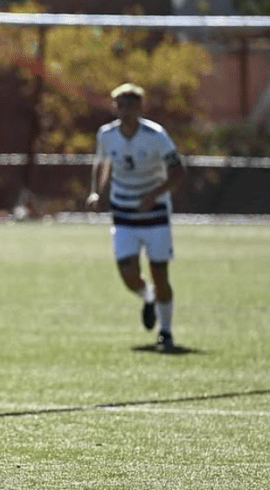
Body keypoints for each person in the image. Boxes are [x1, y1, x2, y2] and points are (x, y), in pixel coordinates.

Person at [87, 83, 185, 350]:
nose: (125, 111)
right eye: (121, 105)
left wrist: (155, 194)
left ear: (140, 108)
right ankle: (147, 296)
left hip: (154, 214)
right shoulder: (106, 135)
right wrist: (97, 193)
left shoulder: (155, 135)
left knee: (159, 272)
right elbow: (102, 163)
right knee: (128, 273)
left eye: (131, 105)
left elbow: (178, 172)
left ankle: (165, 331)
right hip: (124, 212)